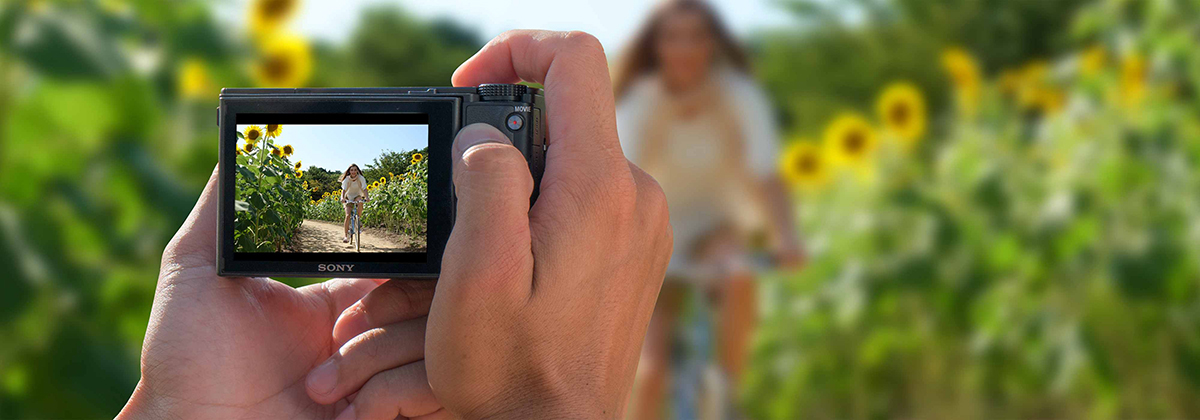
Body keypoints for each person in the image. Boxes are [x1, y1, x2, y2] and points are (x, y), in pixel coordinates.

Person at [115, 29, 672, 420]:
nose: (354, 171)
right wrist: (551, 405)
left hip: (344, 252)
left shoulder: (361, 181)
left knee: (357, 229)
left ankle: (357, 236)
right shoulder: (348, 183)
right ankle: (354, 235)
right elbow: (343, 190)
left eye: (354, 168)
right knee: (352, 224)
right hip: (342, 231)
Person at [612, 1, 802, 418]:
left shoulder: (738, 95)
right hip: (654, 232)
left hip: (716, 226)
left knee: (738, 276)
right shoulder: (640, 103)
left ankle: (724, 394)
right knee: (650, 373)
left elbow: (765, 173)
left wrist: (787, 236)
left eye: (696, 36)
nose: (685, 49)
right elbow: (624, 186)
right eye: (673, 37)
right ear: (656, 46)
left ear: (713, 43)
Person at [339, 163, 369, 243]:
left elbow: (365, 189)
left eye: (355, 170)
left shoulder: (361, 178)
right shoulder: (346, 180)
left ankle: (358, 220)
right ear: (349, 171)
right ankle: (346, 236)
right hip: (348, 197)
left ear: (357, 171)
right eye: (351, 170)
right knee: (348, 215)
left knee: (360, 201)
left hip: (357, 196)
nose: (353, 172)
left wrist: (367, 197)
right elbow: (344, 190)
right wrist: (342, 198)